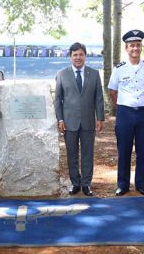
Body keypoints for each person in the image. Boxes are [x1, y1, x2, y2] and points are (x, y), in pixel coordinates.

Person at [108, 30, 144, 196]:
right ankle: (122, 184)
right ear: (126, 48)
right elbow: (113, 91)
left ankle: (141, 184)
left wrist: (143, 104)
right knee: (124, 150)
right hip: (125, 113)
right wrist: (123, 106)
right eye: (131, 45)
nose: (135, 48)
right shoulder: (119, 69)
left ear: (141, 47)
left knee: (143, 150)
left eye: (137, 45)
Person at [54, 42, 105, 197]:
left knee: (88, 153)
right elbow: (58, 99)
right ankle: (75, 183)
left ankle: (86, 184)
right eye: (75, 55)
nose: (78, 57)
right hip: (69, 122)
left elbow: (99, 98)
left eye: (81, 54)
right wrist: (60, 119)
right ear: (70, 57)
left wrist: (100, 118)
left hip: (89, 120)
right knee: (72, 154)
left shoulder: (94, 74)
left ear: (85, 56)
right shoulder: (62, 74)